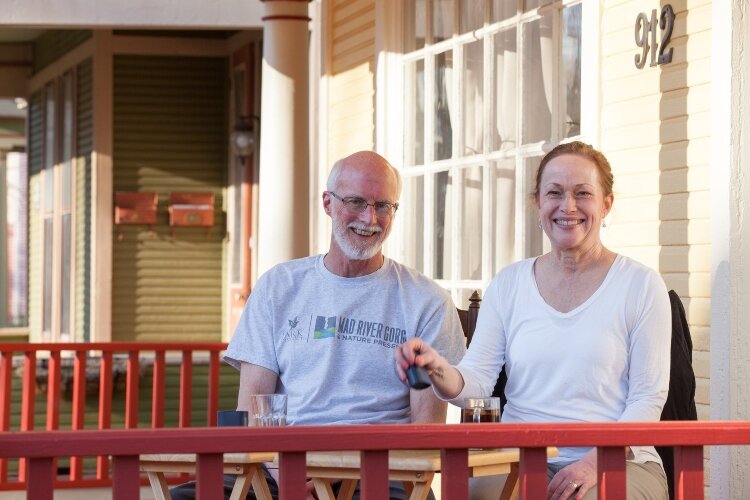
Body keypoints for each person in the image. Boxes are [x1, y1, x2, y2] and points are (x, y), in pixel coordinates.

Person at [171, 151, 466, 500]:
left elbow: (424, 435)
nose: (370, 218)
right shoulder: (279, 287)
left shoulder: (425, 300)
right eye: (356, 202)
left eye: (383, 206)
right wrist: (285, 474)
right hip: (280, 464)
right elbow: (254, 408)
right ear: (327, 203)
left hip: (380, 473)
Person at [395, 141, 671, 500]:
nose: (567, 206)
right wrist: (437, 369)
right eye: (554, 193)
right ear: (538, 203)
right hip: (518, 457)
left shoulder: (641, 284)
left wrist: (592, 464)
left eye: (582, 193)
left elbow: (648, 399)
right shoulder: (509, 283)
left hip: (620, 460)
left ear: (606, 204)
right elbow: (477, 384)